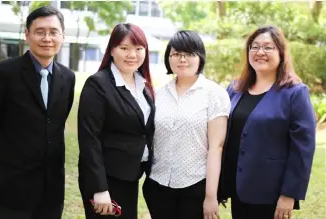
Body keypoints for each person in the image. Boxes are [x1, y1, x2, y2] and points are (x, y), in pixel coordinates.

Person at [0, 6, 75, 219]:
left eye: (53, 32)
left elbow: (56, 123)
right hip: (13, 189)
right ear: (27, 35)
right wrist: (6, 164)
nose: (47, 38)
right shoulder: (2, 73)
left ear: (63, 37)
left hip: (53, 191)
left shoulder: (68, 77)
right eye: (40, 31)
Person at [218, 25, 316, 219]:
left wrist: (289, 194)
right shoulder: (235, 89)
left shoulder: (295, 93)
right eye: (254, 47)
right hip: (238, 187)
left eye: (268, 47)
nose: (260, 52)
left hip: (270, 193)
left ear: (281, 53)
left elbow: (303, 148)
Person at [142, 30, 231, 219]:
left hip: (195, 187)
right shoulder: (158, 94)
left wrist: (210, 196)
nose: (182, 59)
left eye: (189, 54)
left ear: (200, 57)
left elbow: (217, 147)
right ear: (169, 58)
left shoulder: (214, 94)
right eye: (176, 54)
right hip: (158, 184)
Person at [77, 23, 155, 219]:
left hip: (130, 176)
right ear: (112, 50)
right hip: (106, 179)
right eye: (124, 48)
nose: (132, 55)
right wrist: (100, 188)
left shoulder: (142, 84)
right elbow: (89, 139)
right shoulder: (98, 84)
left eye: (138, 49)